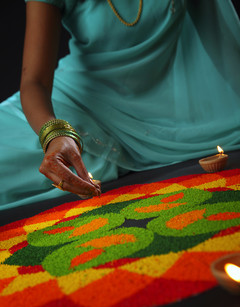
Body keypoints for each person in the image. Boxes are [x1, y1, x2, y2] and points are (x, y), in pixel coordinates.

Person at [0, 0, 240, 211]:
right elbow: (35, 82)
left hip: (176, 118)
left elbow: (226, 45)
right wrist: (54, 134)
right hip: (75, 116)